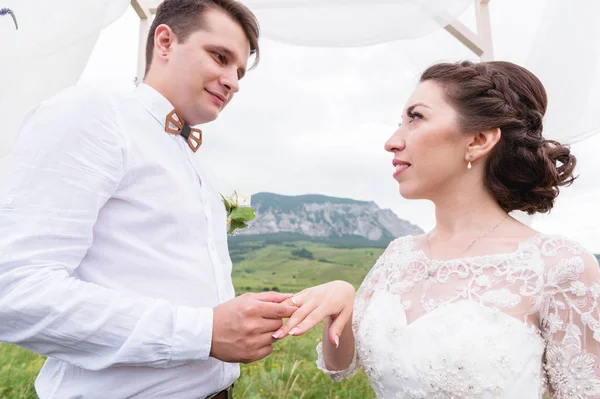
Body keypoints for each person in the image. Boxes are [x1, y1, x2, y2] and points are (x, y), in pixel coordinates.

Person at [0, 1, 298, 398]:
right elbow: (15, 288)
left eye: (239, 72)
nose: (233, 81)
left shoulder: (193, 160)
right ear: (164, 41)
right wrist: (205, 332)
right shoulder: (93, 114)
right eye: (220, 57)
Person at [274, 61, 600, 398]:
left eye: (416, 118)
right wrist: (342, 301)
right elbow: (340, 367)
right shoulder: (398, 256)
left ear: (478, 140)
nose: (391, 142)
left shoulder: (560, 267)